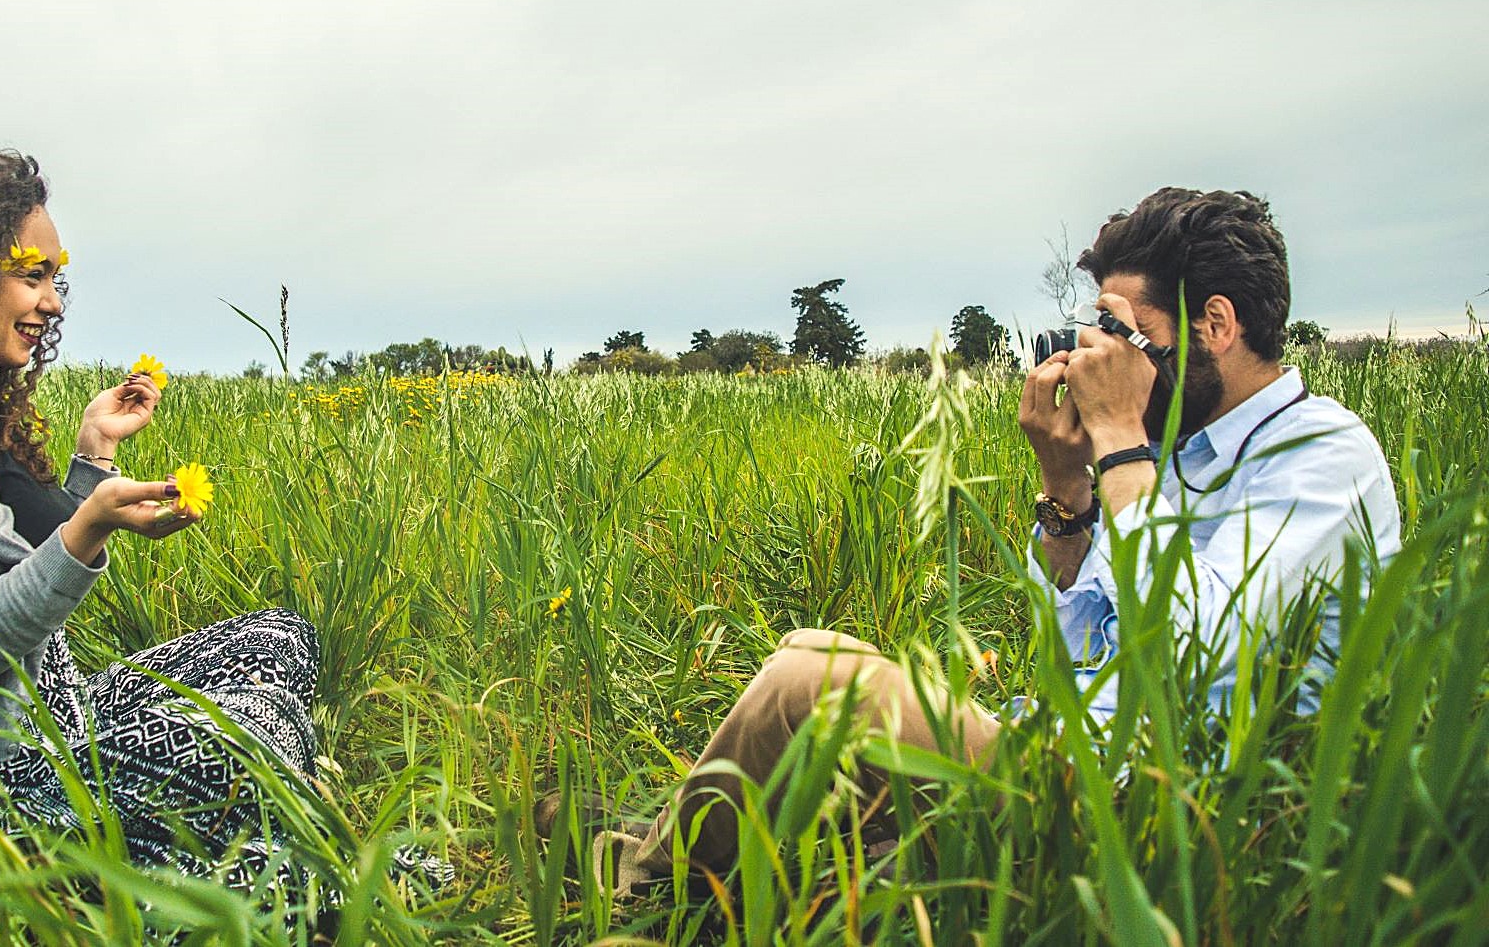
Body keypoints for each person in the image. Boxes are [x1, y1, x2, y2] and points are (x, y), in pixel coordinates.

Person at [588, 187, 1401, 895]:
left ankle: (644, 884)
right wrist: (1067, 487)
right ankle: (672, 859)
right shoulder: (1175, 453)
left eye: (1124, 334)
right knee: (813, 650)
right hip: (1065, 751)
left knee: (814, 680)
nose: (1100, 358)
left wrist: (1119, 438)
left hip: (1161, 814)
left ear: (1214, 323)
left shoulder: (1323, 458)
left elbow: (1182, 649)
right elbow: (1071, 649)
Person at [0, 147, 451, 905]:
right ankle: (238, 869)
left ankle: (226, 828)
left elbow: (5, 547)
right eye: (31, 276)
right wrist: (89, 528)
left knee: (280, 637)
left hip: (57, 715)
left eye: (55, 279)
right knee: (252, 725)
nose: (52, 302)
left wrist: (93, 455)